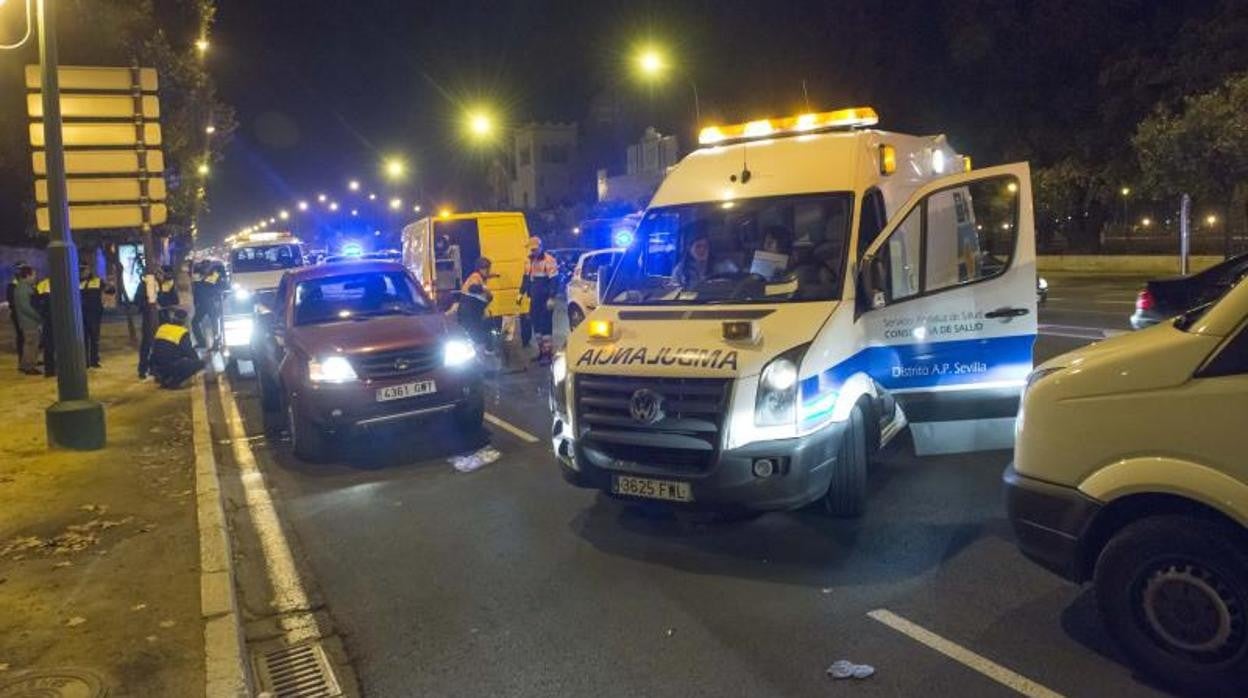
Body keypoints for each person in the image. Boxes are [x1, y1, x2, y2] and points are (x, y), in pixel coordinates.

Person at [519, 236, 559, 365]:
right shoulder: (529, 261)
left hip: (545, 299)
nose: (533, 252)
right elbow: (526, 279)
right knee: (536, 326)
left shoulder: (549, 260)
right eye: (531, 250)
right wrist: (520, 294)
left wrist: (552, 298)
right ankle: (541, 352)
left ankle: (547, 354)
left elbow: (554, 280)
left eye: (535, 249)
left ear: (541, 247)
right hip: (534, 299)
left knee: (545, 326)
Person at [148, 307, 204, 388]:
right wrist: (197, 362)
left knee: (170, 357)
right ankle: (174, 381)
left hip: (155, 366)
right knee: (198, 364)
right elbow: (188, 351)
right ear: (185, 321)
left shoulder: (162, 327)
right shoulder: (182, 332)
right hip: (171, 365)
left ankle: (164, 378)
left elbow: (156, 346)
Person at [79, 263, 113, 368]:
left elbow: (110, 291)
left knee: (94, 339)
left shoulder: (97, 281)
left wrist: (110, 285)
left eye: (85, 270)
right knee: (83, 339)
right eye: (82, 270)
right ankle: (85, 362)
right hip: (82, 315)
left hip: (95, 315)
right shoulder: (76, 282)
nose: (84, 272)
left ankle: (94, 361)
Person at [457, 257, 494, 350]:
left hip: (472, 312)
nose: (488, 271)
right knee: (476, 335)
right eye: (487, 269)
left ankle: (482, 353)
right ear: (481, 269)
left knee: (476, 335)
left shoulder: (479, 277)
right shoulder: (476, 276)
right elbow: (473, 288)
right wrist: (485, 289)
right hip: (469, 312)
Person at [12, 266, 42, 375]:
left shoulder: (23, 287)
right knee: (31, 344)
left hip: (29, 321)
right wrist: (39, 317)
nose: (35, 277)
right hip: (29, 322)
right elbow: (26, 307)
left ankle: (26, 364)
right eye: (33, 275)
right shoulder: (23, 289)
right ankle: (29, 367)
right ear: (28, 275)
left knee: (30, 343)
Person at [190, 260, 224, 349]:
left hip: (210, 303)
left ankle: (216, 343)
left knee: (214, 323)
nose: (205, 268)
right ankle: (202, 342)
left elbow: (209, 286)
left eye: (206, 266)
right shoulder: (202, 276)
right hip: (203, 303)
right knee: (196, 322)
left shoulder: (213, 275)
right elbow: (197, 290)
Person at [137, 266, 159, 380]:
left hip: (158, 317)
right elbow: (138, 301)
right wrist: (147, 304)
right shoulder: (143, 285)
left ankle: (154, 368)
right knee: (146, 344)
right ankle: (143, 369)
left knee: (156, 344)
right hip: (148, 318)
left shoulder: (157, 283)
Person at [34, 273, 54, 377]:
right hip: (54, 319)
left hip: (47, 319)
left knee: (49, 346)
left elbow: (35, 303)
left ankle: (50, 370)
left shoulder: (41, 285)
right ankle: (53, 370)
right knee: (54, 345)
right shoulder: (64, 283)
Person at [6, 261, 26, 365]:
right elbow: (11, 301)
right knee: (21, 336)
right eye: (20, 269)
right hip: (18, 314)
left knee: (27, 337)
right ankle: (22, 360)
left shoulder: (23, 284)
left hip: (23, 314)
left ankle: (27, 359)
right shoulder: (12, 286)